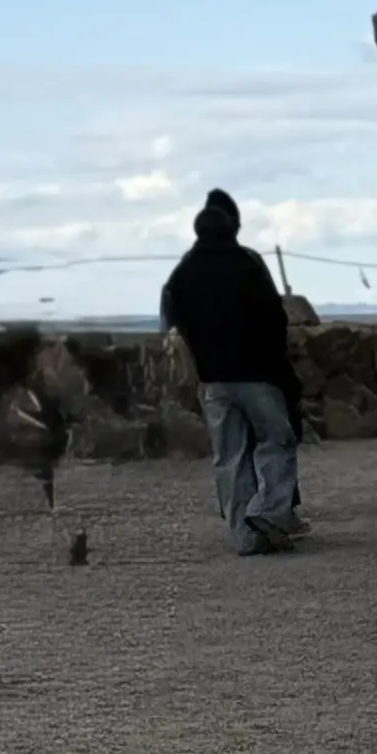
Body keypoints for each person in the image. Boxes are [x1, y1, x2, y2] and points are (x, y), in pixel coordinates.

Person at [161, 187, 307, 557]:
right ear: (232, 227)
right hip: (259, 375)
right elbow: (275, 318)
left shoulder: (183, 273)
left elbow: (171, 326)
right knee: (276, 441)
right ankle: (270, 511)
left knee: (230, 458)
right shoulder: (246, 264)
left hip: (214, 381)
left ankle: (245, 539)